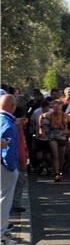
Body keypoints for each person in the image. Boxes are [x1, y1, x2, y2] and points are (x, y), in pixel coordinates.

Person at [1, 94, 19, 244]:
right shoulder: (7, 123)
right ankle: (1, 235)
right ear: (13, 107)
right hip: (4, 167)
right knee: (4, 201)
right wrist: (11, 168)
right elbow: (8, 149)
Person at [39, 100, 69, 182]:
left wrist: (65, 131)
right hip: (52, 135)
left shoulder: (65, 115)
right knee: (55, 154)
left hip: (62, 136)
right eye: (55, 109)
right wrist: (41, 129)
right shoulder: (49, 115)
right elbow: (41, 116)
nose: (57, 111)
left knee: (62, 154)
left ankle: (60, 170)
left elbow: (68, 128)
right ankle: (56, 173)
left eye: (59, 109)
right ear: (53, 109)